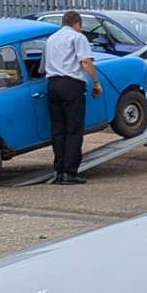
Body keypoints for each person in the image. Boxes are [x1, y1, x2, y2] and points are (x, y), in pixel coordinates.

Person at [43, 10, 102, 184]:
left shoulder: (51, 39)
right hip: (71, 84)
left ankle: (59, 170)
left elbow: (42, 65)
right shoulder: (78, 37)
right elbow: (85, 61)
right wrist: (96, 82)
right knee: (74, 129)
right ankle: (70, 172)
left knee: (58, 129)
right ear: (78, 24)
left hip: (53, 84)